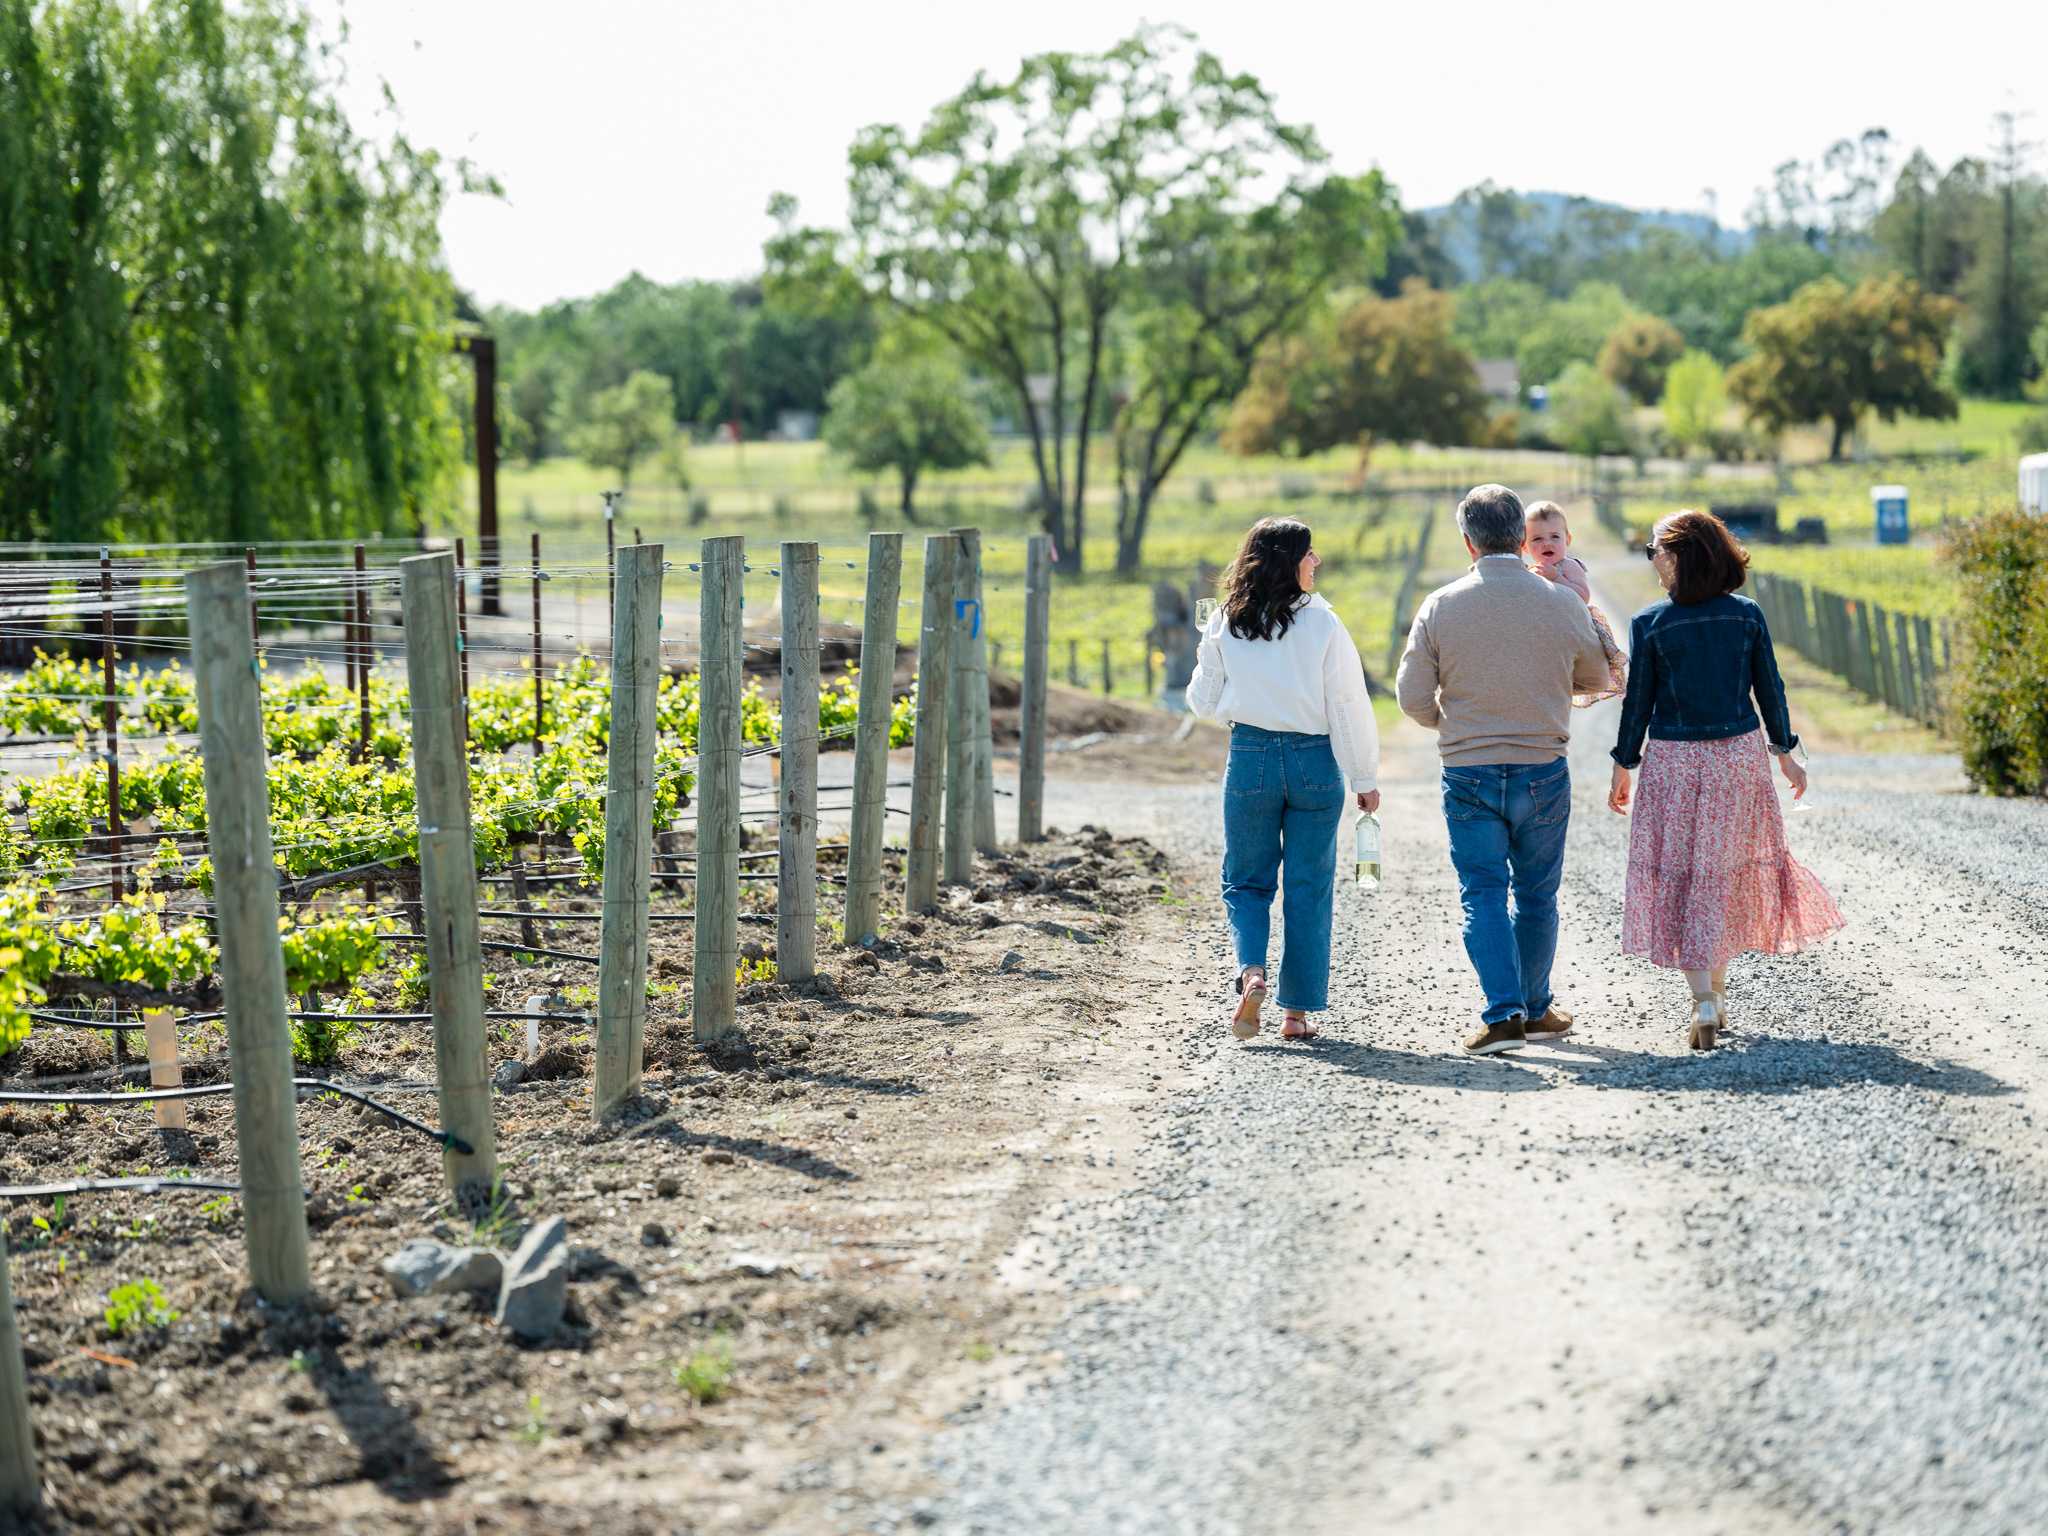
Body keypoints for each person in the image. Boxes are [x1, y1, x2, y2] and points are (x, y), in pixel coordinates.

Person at [1607, 509, 1844, 1050]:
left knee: (1686, 876)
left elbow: (1637, 705)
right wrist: (1786, 754)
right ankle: (1713, 995)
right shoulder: (1747, 615)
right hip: (1737, 757)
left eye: (1654, 552)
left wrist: (1623, 764)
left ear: (1679, 557)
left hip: (1672, 762)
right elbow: (1771, 690)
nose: (1652, 562)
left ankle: (1705, 1001)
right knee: (1719, 874)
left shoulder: (1650, 624)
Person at [1395, 485, 1614, 1055]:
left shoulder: (1440, 605)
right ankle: (1537, 1009)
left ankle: (1504, 1015)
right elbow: (1595, 678)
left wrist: (1452, 723)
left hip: (1468, 768)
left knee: (1483, 893)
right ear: (1521, 538)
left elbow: (1412, 697)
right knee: (1538, 896)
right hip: (1542, 765)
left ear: (1468, 542)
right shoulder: (1561, 603)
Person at [1188, 517, 1380, 1042]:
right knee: (1308, 886)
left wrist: (1210, 650)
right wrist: (1364, 774)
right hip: (1314, 762)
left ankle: (1252, 972)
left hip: (1249, 755)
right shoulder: (1323, 623)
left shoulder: (1225, 620)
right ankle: (1295, 1014)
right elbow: (1347, 706)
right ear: (1290, 561)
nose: (1316, 561)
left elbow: (1202, 703)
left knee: (1246, 880)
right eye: (1309, 553)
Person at [1522, 500, 1627, 704]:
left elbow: (1582, 595)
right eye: (1537, 539)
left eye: (1555, 537)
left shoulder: (1569, 566)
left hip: (1574, 625)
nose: (1547, 543)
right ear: (1524, 546)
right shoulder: (1531, 572)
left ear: (1567, 539)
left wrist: (1557, 578)